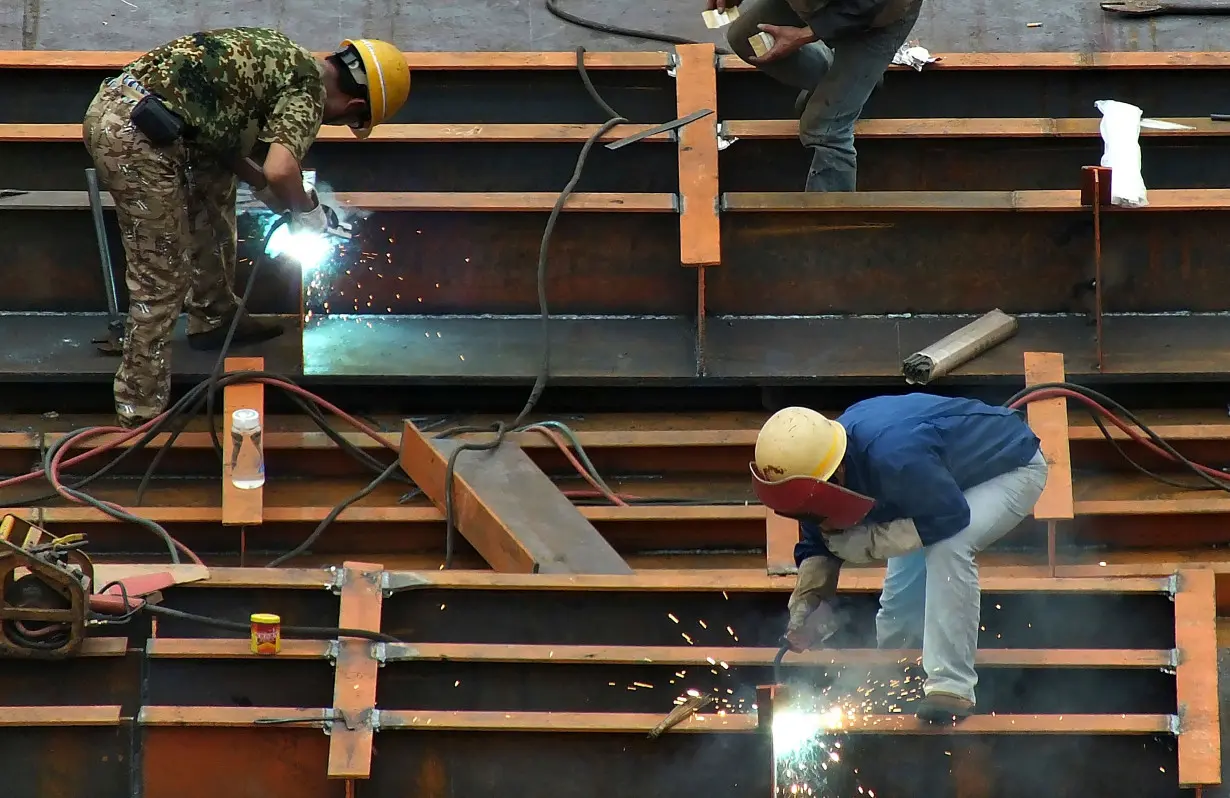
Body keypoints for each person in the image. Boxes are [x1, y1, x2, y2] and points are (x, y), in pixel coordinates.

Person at [82, 28, 411, 428]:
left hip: (147, 116)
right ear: (355, 104)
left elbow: (230, 149)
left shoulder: (285, 55)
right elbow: (281, 167)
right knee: (162, 276)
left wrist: (276, 197)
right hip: (133, 137)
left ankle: (215, 317)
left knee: (215, 194)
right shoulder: (310, 89)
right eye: (350, 121)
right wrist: (308, 211)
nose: (338, 124)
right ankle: (139, 413)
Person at [751, 395, 1048, 723]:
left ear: (835, 476)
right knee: (900, 599)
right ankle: (891, 675)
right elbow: (817, 537)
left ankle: (951, 686)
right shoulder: (817, 467)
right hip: (933, 486)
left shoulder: (895, 457)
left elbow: (950, 517)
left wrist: (870, 541)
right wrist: (810, 601)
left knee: (948, 547)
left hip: (1008, 467)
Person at [708, 0, 921, 191]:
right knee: (746, 38)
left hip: (879, 17)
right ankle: (852, 88)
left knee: (824, 129)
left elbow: (868, 5)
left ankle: (829, 226)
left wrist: (804, 35)